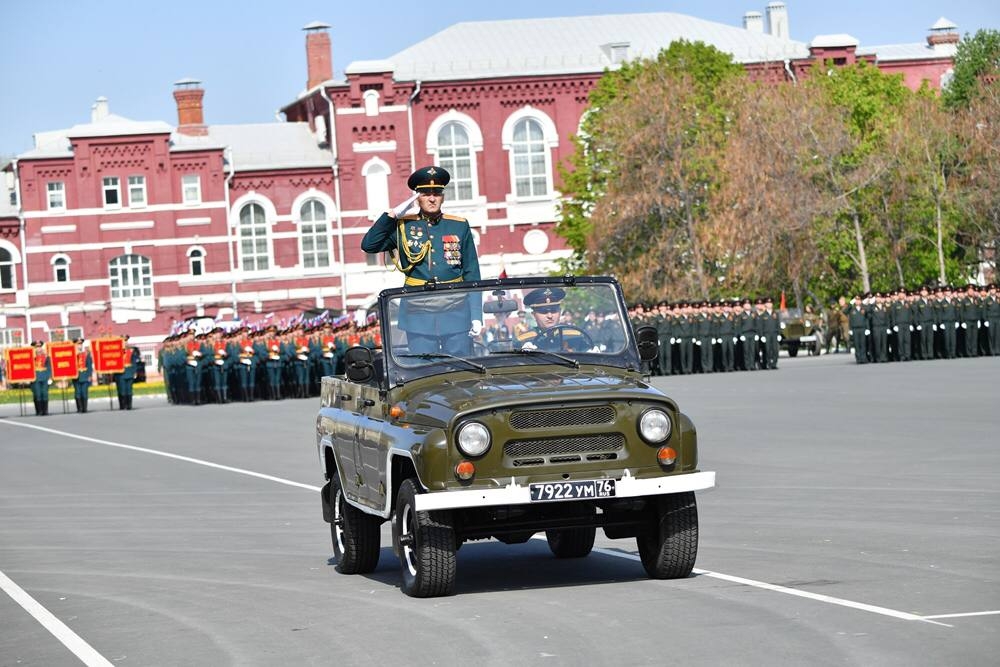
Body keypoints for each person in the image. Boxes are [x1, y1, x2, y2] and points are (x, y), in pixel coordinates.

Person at [361, 166, 482, 355]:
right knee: (423, 371)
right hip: (418, 316)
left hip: (456, 314)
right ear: (417, 197)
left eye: (437, 193)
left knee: (462, 371)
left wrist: (476, 315)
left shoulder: (458, 225)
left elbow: (472, 272)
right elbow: (369, 245)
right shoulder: (403, 226)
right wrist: (391, 216)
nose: (432, 199)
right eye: (425, 194)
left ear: (443, 196)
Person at [515, 287, 592, 352]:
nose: (550, 316)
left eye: (554, 311)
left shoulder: (575, 336)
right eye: (543, 312)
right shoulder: (524, 340)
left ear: (560, 312)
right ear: (534, 315)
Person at [31, 341, 51, 416]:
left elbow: (49, 367)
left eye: (40, 347)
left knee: (45, 394)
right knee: (37, 394)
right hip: (35, 377)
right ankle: (39, 411)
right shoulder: (32, 357)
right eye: (37, 347)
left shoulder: (46, 357)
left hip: (44, 377)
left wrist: (49, 377)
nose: (38, 349)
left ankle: (45, 411)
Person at [73, 338, 93, 413]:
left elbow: (89, 366)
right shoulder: (72, 355)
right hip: (76, 376)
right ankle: (79, 408)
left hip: (84, 375)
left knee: (84, 393)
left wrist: (89, 375)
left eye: (80, 344)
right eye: (78, 344)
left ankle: (84, 408)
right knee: (78, 393)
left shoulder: (86, 354)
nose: (79, 346)